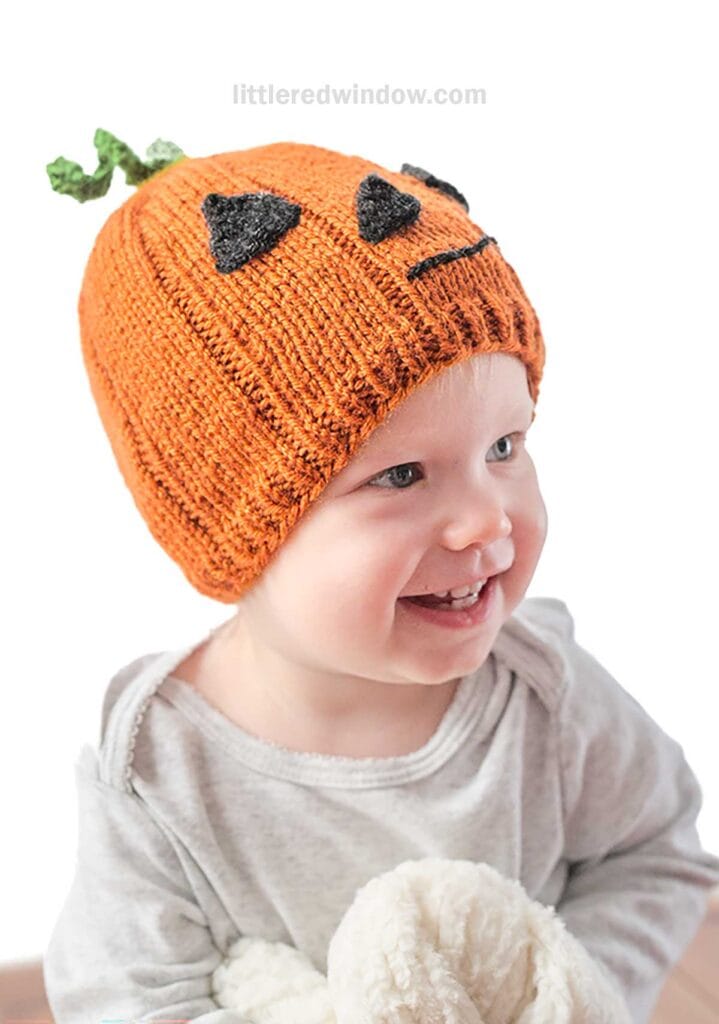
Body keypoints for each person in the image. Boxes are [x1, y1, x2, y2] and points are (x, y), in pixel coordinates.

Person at [42, 132, 719, 1024]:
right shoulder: (160, 771)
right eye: (400, 475)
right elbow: (124, 999)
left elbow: (656, 853)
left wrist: (566, 995)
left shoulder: (540, 694)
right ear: (236, 532)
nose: (486, 520)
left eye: (504, 447)